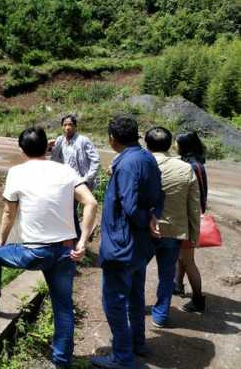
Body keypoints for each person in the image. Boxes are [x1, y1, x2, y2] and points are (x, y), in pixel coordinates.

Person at [0, 126, 98, 368]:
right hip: (66, 251)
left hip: (35, 252)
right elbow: (91, 202)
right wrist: (82, 241)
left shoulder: (16, 172)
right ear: (49, 146)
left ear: (21, 149)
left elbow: (9, 212)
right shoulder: (66, 170)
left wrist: (0, 241)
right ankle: (61, 360)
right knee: (63, 308)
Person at [91, 115, 163, 369]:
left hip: (123, 246)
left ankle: (122, 357)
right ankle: (137, 343)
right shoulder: (146, 158)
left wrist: (146, 219)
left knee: (113, 301)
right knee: (135, 295)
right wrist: (154, 217)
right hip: (140, 246)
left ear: (112, 139)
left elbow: (131, 207)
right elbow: (159, 194)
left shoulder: (127, 164)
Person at [144, 127, 201, 328]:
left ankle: (134, 307)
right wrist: (194, 235)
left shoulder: (140, 164)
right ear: (170, 145)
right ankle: (160, 315)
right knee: (167, 275)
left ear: (146, 143)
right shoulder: (186, 169)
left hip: (143, 231)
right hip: (174, 232)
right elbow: (194, 206)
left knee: (136, 271)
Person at [174, 131, 208, 313]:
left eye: (177, 143)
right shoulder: (197, 163)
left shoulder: (191, 166)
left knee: (188, 260)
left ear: (184, 146)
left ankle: (198, 299)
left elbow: (196, 197)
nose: (174, 145)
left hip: (187, 219)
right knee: (182, 257)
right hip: (188, 218)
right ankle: (178, 285)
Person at [50, 114, 100, 236]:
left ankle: (79, 235)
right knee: (70, 210)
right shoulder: (60, 140)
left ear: (75, 126)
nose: (67, 127)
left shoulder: (83, 141)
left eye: (70, 125)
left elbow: (95, 160)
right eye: (65, 125)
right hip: (67, 181)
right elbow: (53, 156)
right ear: (62, 127)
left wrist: (88, 178)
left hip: (81, 181)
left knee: (78, 208)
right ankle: (81, 233)